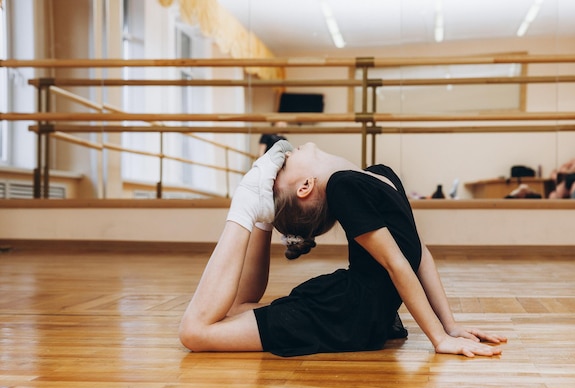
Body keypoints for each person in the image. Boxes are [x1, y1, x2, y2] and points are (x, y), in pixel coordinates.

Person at [179, 141, 506, 358]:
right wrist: (442, 333)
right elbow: (408, 260)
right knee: (225, 313)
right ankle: (252, 211)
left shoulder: (364, 179)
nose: (284, 156)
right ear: (304, 186)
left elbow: (411, 258)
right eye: (280, 170)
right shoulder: (350, 184)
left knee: (197, 330)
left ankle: (253, 209)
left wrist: (446, 332)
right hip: (347, 312)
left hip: (342, 317)